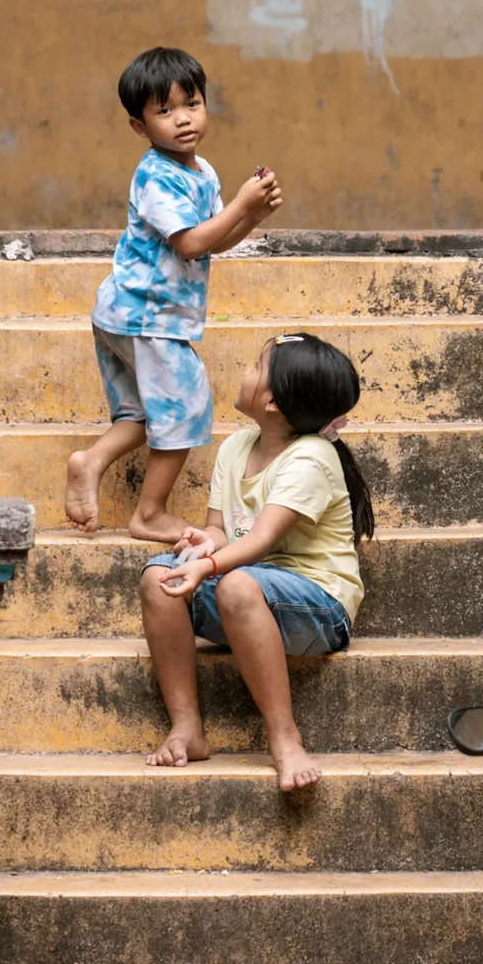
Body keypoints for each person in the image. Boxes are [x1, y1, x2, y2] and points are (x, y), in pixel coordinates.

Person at [64, 47, 282, 542]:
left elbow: (214, 240)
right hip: (147, 317)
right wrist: (244, 204)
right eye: (164, 111)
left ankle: (90, 462)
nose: (182, 119)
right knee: (185, 408)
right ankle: (149, 514)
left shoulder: (201, 171)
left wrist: (252, 216)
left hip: (130, 314)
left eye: (192, 103)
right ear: (139, 126)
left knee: (143, 415)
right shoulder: (156, 175)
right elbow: (190, 242)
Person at [140, 332, 375, 791]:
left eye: (255, 367)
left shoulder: (312, 456)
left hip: (320, 605)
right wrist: (202, 544)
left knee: (237, 583)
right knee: (157, 578)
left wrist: (209, 567)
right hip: (249, 592)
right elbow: (221, 531)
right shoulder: (236, 447)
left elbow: (261, 540)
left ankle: (285, 738)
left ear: (273, 402)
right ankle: (187, 728)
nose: (244, 371)